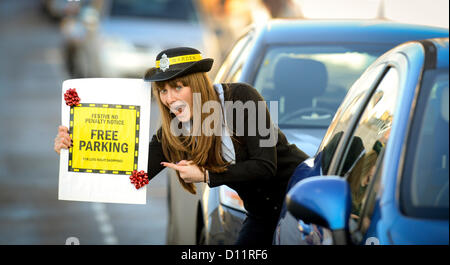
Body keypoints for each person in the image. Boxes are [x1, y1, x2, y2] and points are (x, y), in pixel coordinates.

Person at [54, 47, 308, 245]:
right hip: (263, 213)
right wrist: (76, 147)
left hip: (305, 197)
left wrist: (207, 175)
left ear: (197, 84)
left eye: (178, 86)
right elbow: (133, 175)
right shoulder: (174, 132)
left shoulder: (242, 98)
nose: (170, 98)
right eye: (163, 90)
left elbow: (265, 166)